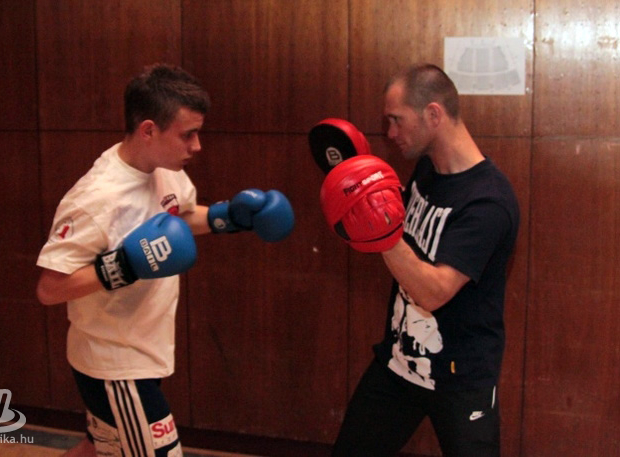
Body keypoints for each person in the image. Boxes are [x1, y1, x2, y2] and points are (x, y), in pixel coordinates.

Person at [36, 64, 294, 457]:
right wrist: (125, 264)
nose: (197, 146)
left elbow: (180, 220)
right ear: (148, 130)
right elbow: (50, 289)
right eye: (187, 134)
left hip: (144, 348)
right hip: (114, 363)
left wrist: (230, 218)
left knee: (97, 449)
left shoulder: (165, 170)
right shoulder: (95, 198)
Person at [330, 64, 520, 456]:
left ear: (433, 114)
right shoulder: (428, 169)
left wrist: (380, 231)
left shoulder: (488, 202)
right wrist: (364, 188)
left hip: (461, 377)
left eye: (396, 120)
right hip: (399, 363)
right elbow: (408, 232)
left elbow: (433, 292)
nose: (390, 133)